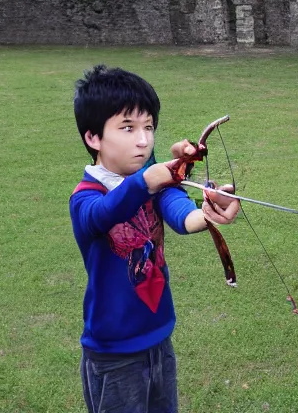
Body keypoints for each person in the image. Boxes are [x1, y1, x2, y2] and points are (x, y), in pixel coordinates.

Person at [70, 64, 240, 412]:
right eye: (128, 127)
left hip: (159, 336)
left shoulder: (150, 181)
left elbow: (177, 208)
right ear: (93, 137)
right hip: (113, 351)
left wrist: (206, 214)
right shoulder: (85, 197)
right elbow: (103, 214)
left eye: (149, 127)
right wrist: (149, 180)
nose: (144, 140)